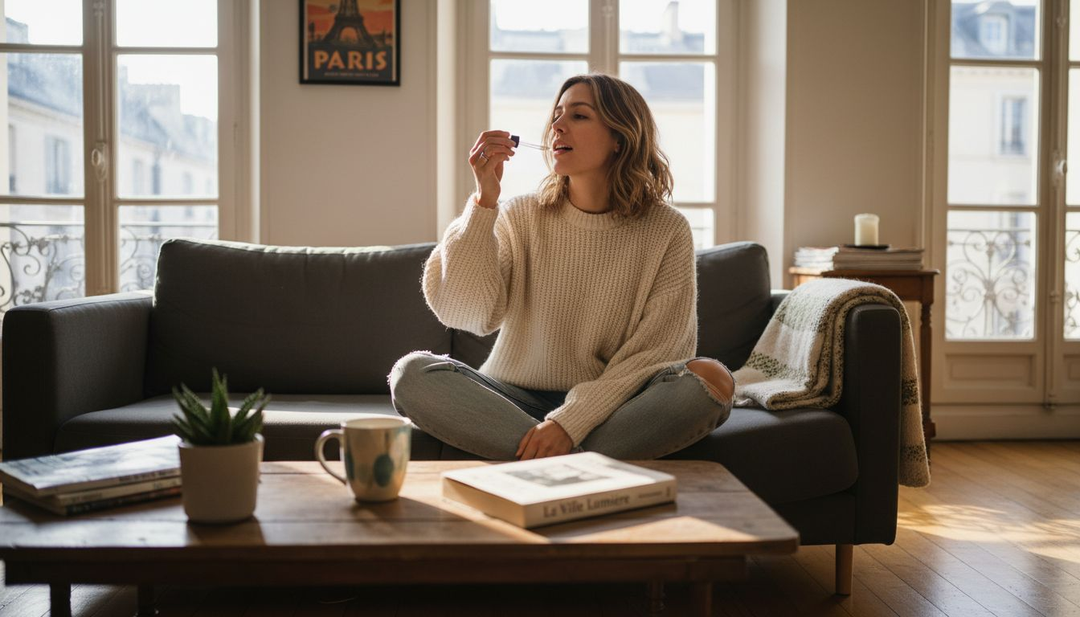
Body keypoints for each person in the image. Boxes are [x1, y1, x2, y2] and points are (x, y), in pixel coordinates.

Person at [388, 73, 734, 461]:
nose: (557, 126)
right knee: (411, 373)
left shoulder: (667, 230)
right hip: (510, 399)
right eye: (556, 114)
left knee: (711, 380)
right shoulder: (521, 215)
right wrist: (484, 201)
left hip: (610, 407)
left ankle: (546, 458)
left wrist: (571, 422)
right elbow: (466, 313)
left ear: (620, 137)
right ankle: (581, 464)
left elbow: (656, 354)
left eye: (579, 116)